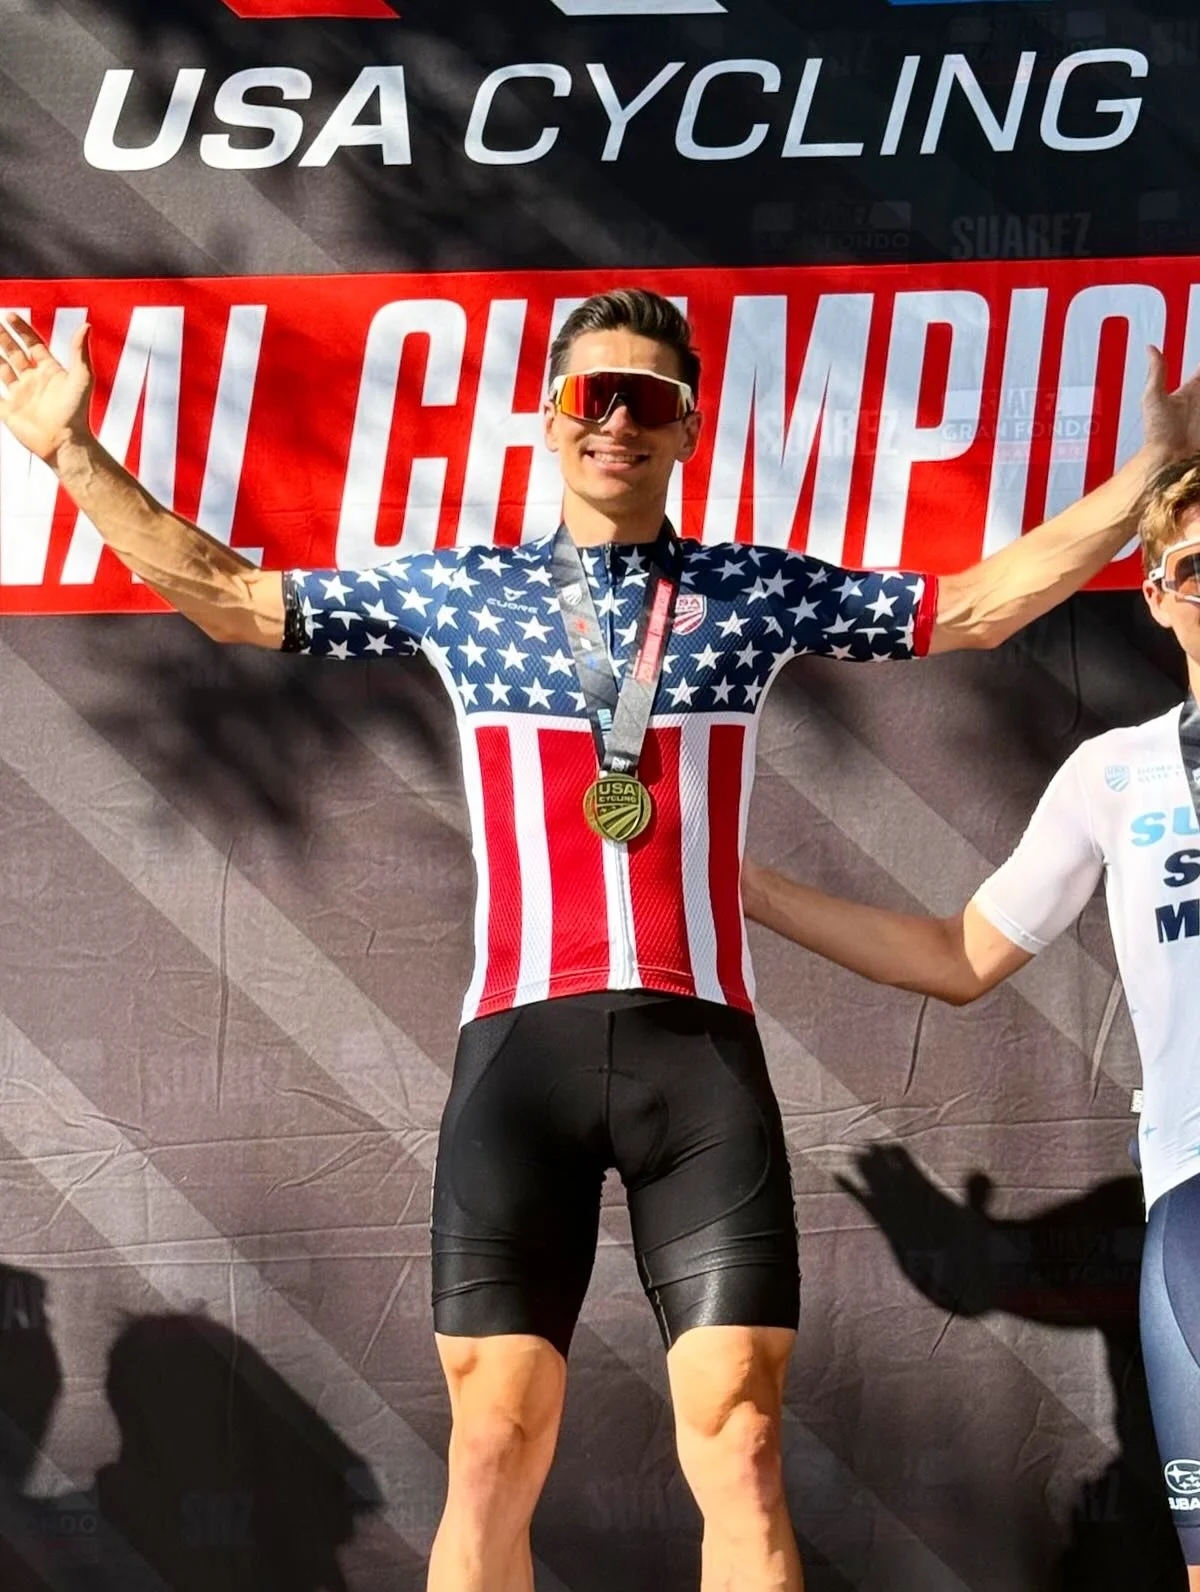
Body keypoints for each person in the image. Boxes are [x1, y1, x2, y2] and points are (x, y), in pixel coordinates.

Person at [0, 290, 1197, 1592]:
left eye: (651, 400)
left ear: (689, 429)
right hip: (524, 1063)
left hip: (701, 1071)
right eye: (593, 396)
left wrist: (1151, 475)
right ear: (551, 420)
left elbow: (972, 606)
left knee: (740, 1444)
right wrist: (70, 452)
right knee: (494, 1449)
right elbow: (230, 598)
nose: (618, 420)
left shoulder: (743, 594)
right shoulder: (466, 591)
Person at [742, 453, 1200, 1590]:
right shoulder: (1115, 774)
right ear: (1154, 592)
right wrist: (735, 879)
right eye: (1197, 566)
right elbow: (960, 956)